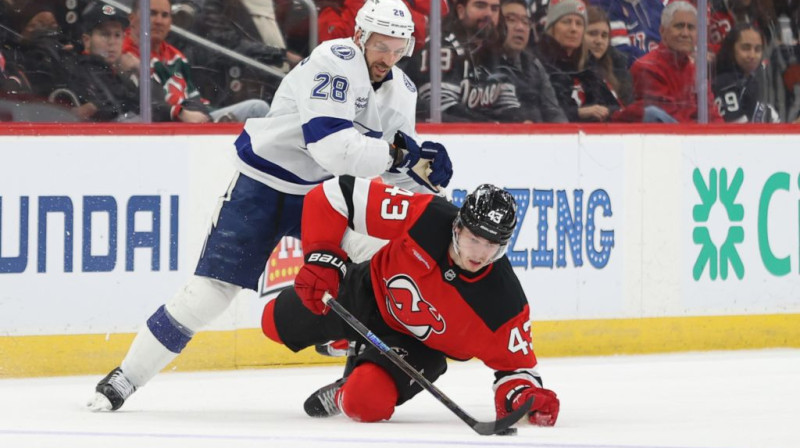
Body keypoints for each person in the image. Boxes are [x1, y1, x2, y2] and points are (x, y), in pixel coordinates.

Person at [87, 0, 453, 412]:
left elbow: (395, 165)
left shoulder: (402, 91)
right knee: (210, 294)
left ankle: (353, 372)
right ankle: (127, 375)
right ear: (360, 37)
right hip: (262, 186)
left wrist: (427, 177)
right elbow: (333, 148)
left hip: (325, 197)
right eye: (381, 46)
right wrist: (400, 157)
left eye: (399, 49)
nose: (389, 58)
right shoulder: (333, 61)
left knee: (384, 262)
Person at [261, 175, 560, 426]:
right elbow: (333, 195)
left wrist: (524, 399)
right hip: (369, 291)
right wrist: (321, 259)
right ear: (457, 227)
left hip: (418, 347)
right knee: (271, 322)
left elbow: (519, 371)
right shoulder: (427, 216)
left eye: (492, 245)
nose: (480, 254)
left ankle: (342, 390)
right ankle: (351, 342)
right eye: (474, 239)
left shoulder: (504, 302)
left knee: (362, 402)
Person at [121, 0, 270, 122]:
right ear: (132, 18)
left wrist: (207, 118)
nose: (159, 21)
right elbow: (145, 104)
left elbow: (194, 98)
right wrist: (182, 113)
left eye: (165, 15)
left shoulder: (175, 55)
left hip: (196, 120)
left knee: (257, 108)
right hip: (167, 126)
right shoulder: (122, 53)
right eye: (152, 13)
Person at [405, 0, 534, 122]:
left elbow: (508, 105)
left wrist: (523, 122)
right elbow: (443, 108)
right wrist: (491, 125)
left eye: (494, 9)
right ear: (461, 11)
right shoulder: (441, 48)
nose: (489, 14)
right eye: (480, 6)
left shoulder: (494, 52)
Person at [615, 1, 724, 123]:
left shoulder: (696, 71)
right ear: (662, 31)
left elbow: (713, 116)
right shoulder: (647, 68)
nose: (685, 33)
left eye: (691, 27)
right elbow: (669, 122)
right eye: (679, 26)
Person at [535, 0, 623, 122]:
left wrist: (603, 112)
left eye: (579, 23)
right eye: (566, 22)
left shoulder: (588, 65)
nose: (573, 29)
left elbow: (615, 108)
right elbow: (539, 111)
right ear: (552, 27)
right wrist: (579, 113)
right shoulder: (538, 62)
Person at [67, 2, 142, 122]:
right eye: (105, 34)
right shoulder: (78, 73)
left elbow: (153, 107)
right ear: (87, 41)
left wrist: (140, 71)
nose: (112, 42)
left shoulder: (119, 75)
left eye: (117, 35)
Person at [496, 0, 567, 122]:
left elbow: (554, 112)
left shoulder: (534, 65)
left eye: (525, 22)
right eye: (511, 20)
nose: (520, 28)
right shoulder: (483, 63)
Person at [713, 23, 781, 122]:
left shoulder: (756, 81)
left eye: (757, 49)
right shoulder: (724, 84)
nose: (752, 55)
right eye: (745, 48)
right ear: (731, 49)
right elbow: (738, 126)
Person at [589, 0, 664, 67]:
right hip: (629, 71)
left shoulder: (655, 4)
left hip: (656, 67)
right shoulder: (605, 4)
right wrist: (655, 64)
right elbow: (621, 52)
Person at [585, 5, 633, 105]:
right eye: (592, 34)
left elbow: (629, 104)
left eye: (604, 36)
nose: (599, 41)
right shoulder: (573, 69)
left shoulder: (618, 66)